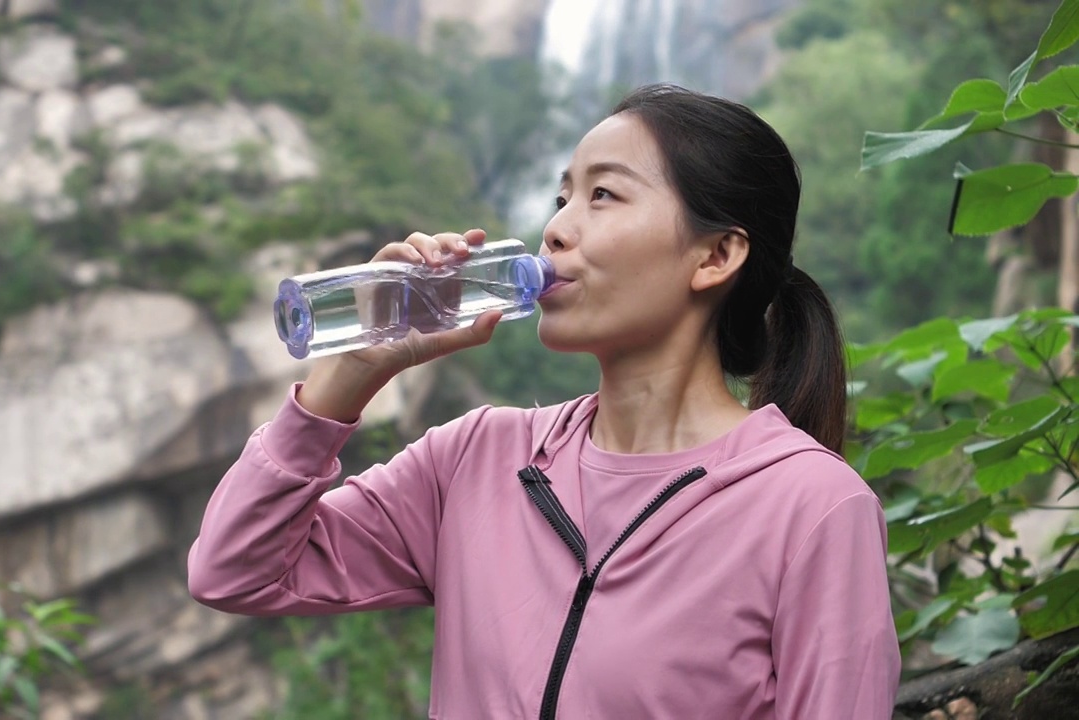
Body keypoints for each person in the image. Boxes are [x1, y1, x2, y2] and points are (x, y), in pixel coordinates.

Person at [188, 83, 901, 719]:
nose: (556, 229)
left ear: (715, 256)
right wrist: (347, 380)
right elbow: (234, 570)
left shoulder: (810, 507)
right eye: (561, 197)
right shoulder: (474, 458)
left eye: (603, 195)